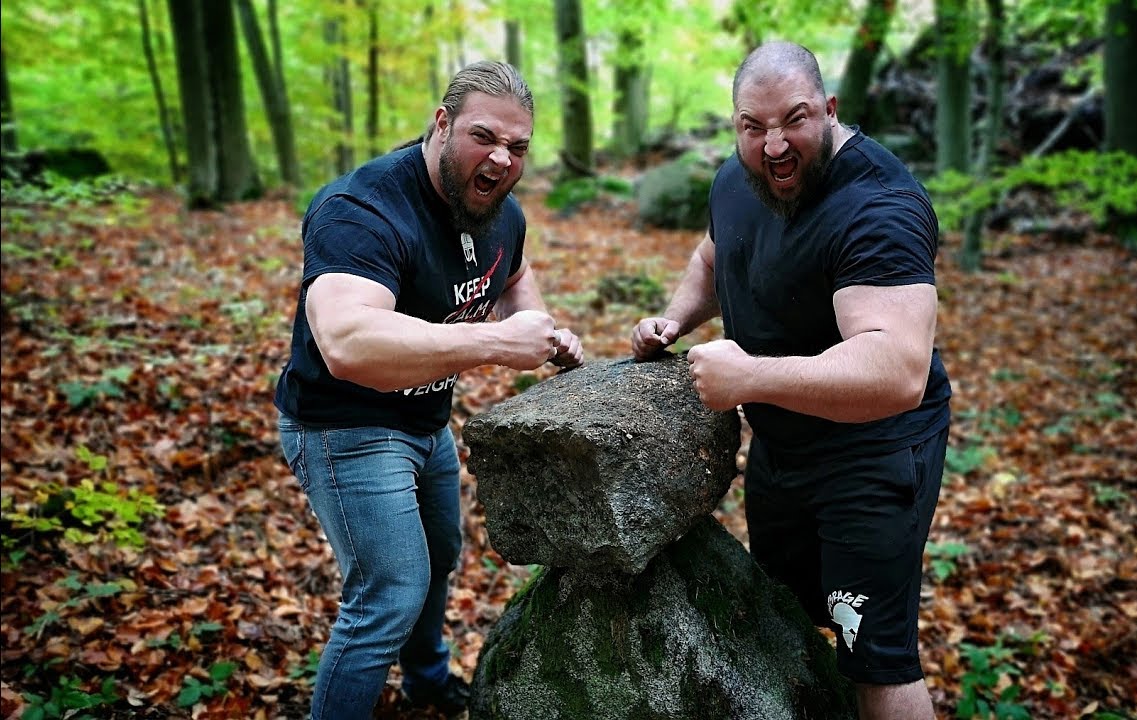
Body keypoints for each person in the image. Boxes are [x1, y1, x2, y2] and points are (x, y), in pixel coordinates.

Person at [632, 42, 951, 720]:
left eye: (794, 120)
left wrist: (750, 376)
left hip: (873, 456)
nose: (773, 145)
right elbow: (715, 256)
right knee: (787, 617)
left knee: (877, 661)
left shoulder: (879, 208)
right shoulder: (736, 179)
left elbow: (897, 372)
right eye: (753, 126)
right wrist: (674, 319)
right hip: (783, 452)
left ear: (830, 111)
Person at [274, 60, 583, 720]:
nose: (501, 158)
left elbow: (515, 273)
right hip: (343, 424)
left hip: (424, 419)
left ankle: (426, 679)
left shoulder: (497, 209)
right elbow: (348, 343)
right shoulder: (362, 209)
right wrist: (498, 343)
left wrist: (543, 329)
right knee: (391, 592)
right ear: (441, 123)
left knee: (441, 554)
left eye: (518, 147)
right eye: (484, 136)